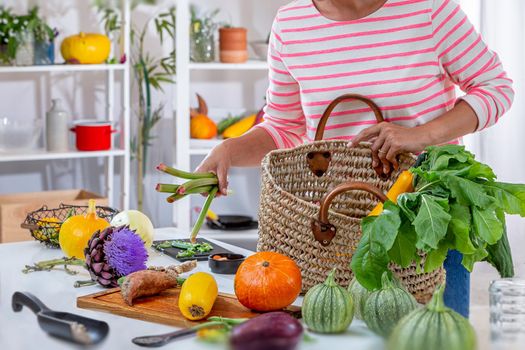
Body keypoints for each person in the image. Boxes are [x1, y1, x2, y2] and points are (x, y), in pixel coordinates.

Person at [196, 0, 514, 317]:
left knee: (435, 338)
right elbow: (285, 127)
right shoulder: (291, 23)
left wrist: (421, 134)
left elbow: (495, 87)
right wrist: (228, 150)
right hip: (337, 224)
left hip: (429, 220)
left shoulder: (429, 8)